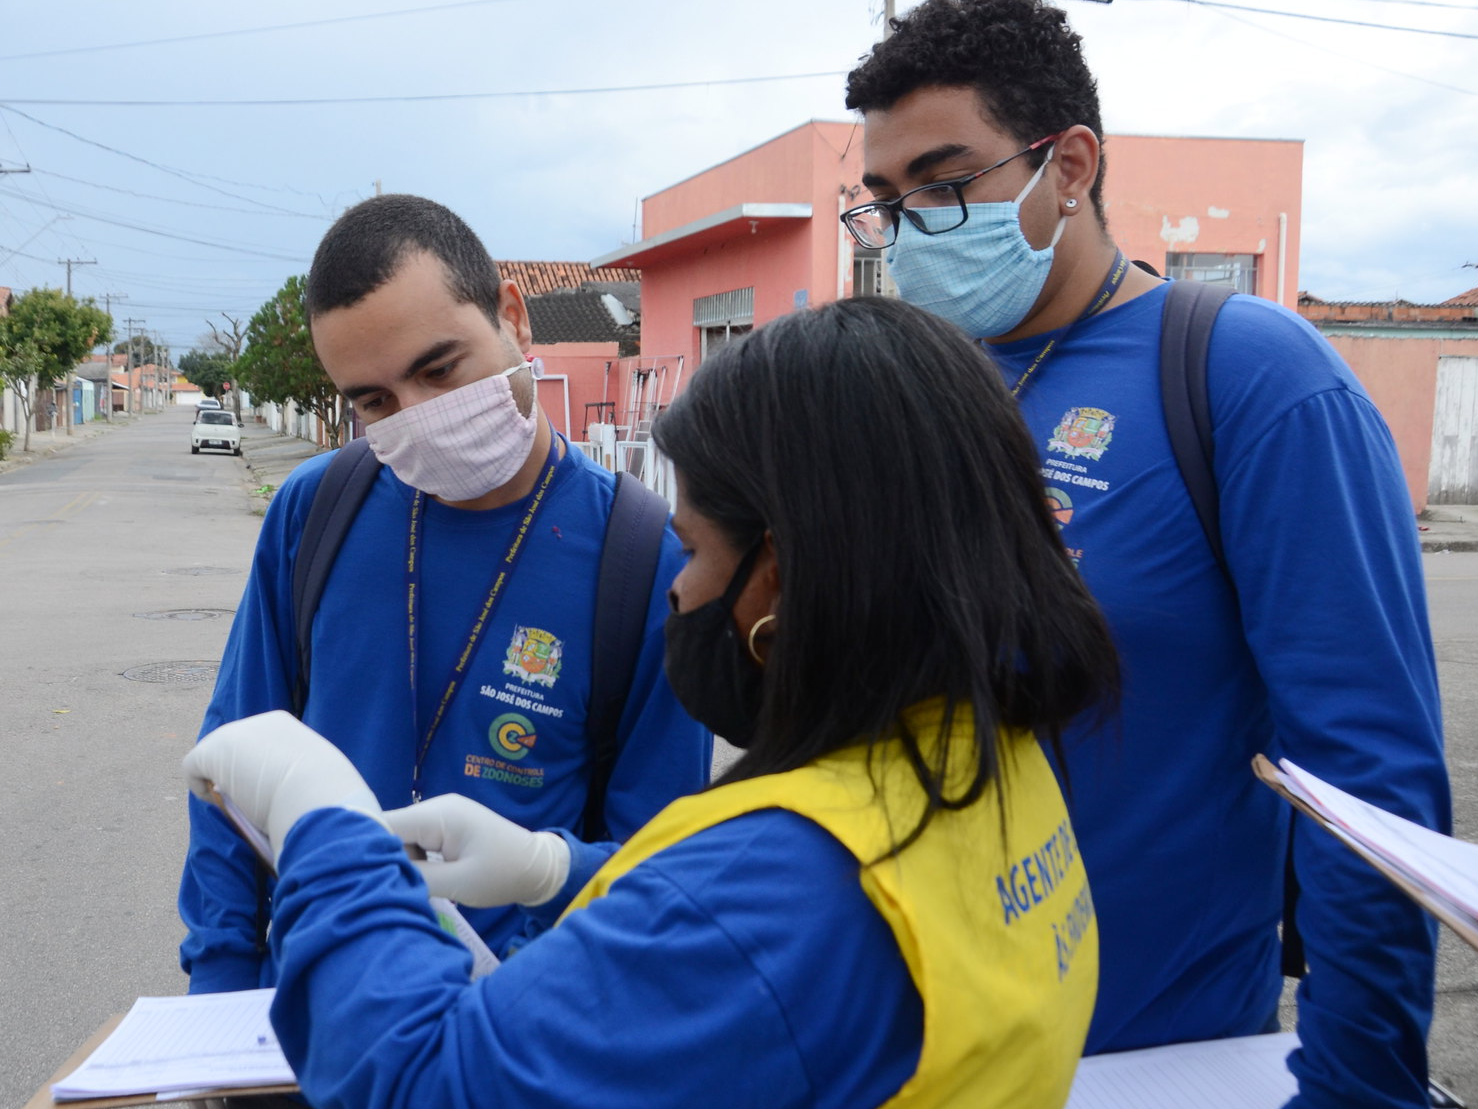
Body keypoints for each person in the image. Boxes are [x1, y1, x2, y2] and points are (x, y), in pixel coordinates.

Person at [183, 295, 1120, 1109]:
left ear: (784, 580)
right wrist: (561, 873)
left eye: (701, 550)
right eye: (375, 398)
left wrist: (325, 827)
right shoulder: (992, 769)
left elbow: (426, 1081)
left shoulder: (781, 885)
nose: (681, 588)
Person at [842, 4, 1451, 1106]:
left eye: (941, 184)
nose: (909, 228)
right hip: (915, 1044)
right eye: (885, 202)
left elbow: (1366, 780)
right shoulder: (922, 397)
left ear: (1067, 163)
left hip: (1155, 1055)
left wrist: (1358, 1079)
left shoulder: (1249, 378)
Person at [178, 195, 711, 988]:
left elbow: (661, 864)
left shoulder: (646, 558)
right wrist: (217, 987)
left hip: (516, 1032)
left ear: (513, 317)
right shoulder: (314, 510)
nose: (418, 417)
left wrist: (538, 873)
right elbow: (235, 766)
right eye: (374, 400)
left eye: (438, 368)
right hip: (311, 1009)